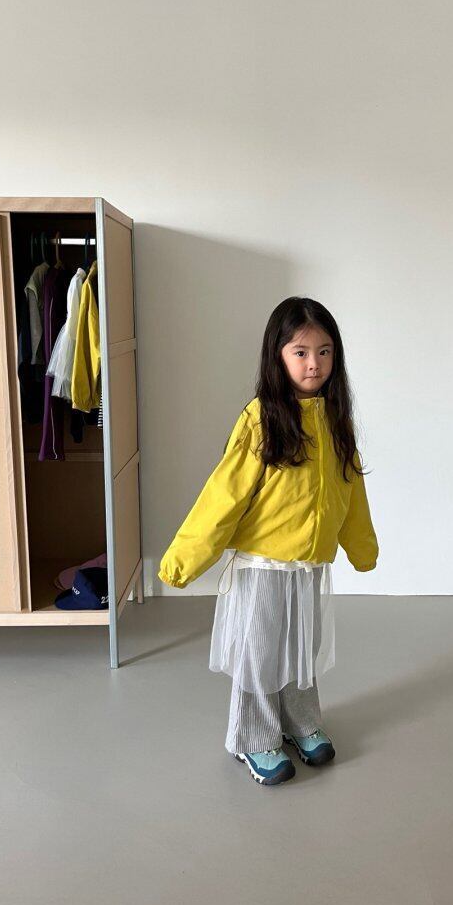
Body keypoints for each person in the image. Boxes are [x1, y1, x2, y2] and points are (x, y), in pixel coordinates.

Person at [158, 296, 379, 786]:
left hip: (310, 564)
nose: (314, 363)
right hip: (264, 566)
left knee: (302, 649)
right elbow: (224, 494)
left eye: (324, 351)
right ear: (277, 355)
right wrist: (183, 559)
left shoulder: (336, 421)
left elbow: (351, 491)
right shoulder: (262, 419)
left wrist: (362, 548)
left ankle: (301, 722)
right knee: (260, 654)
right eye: (300, 352)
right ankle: (254, 736)